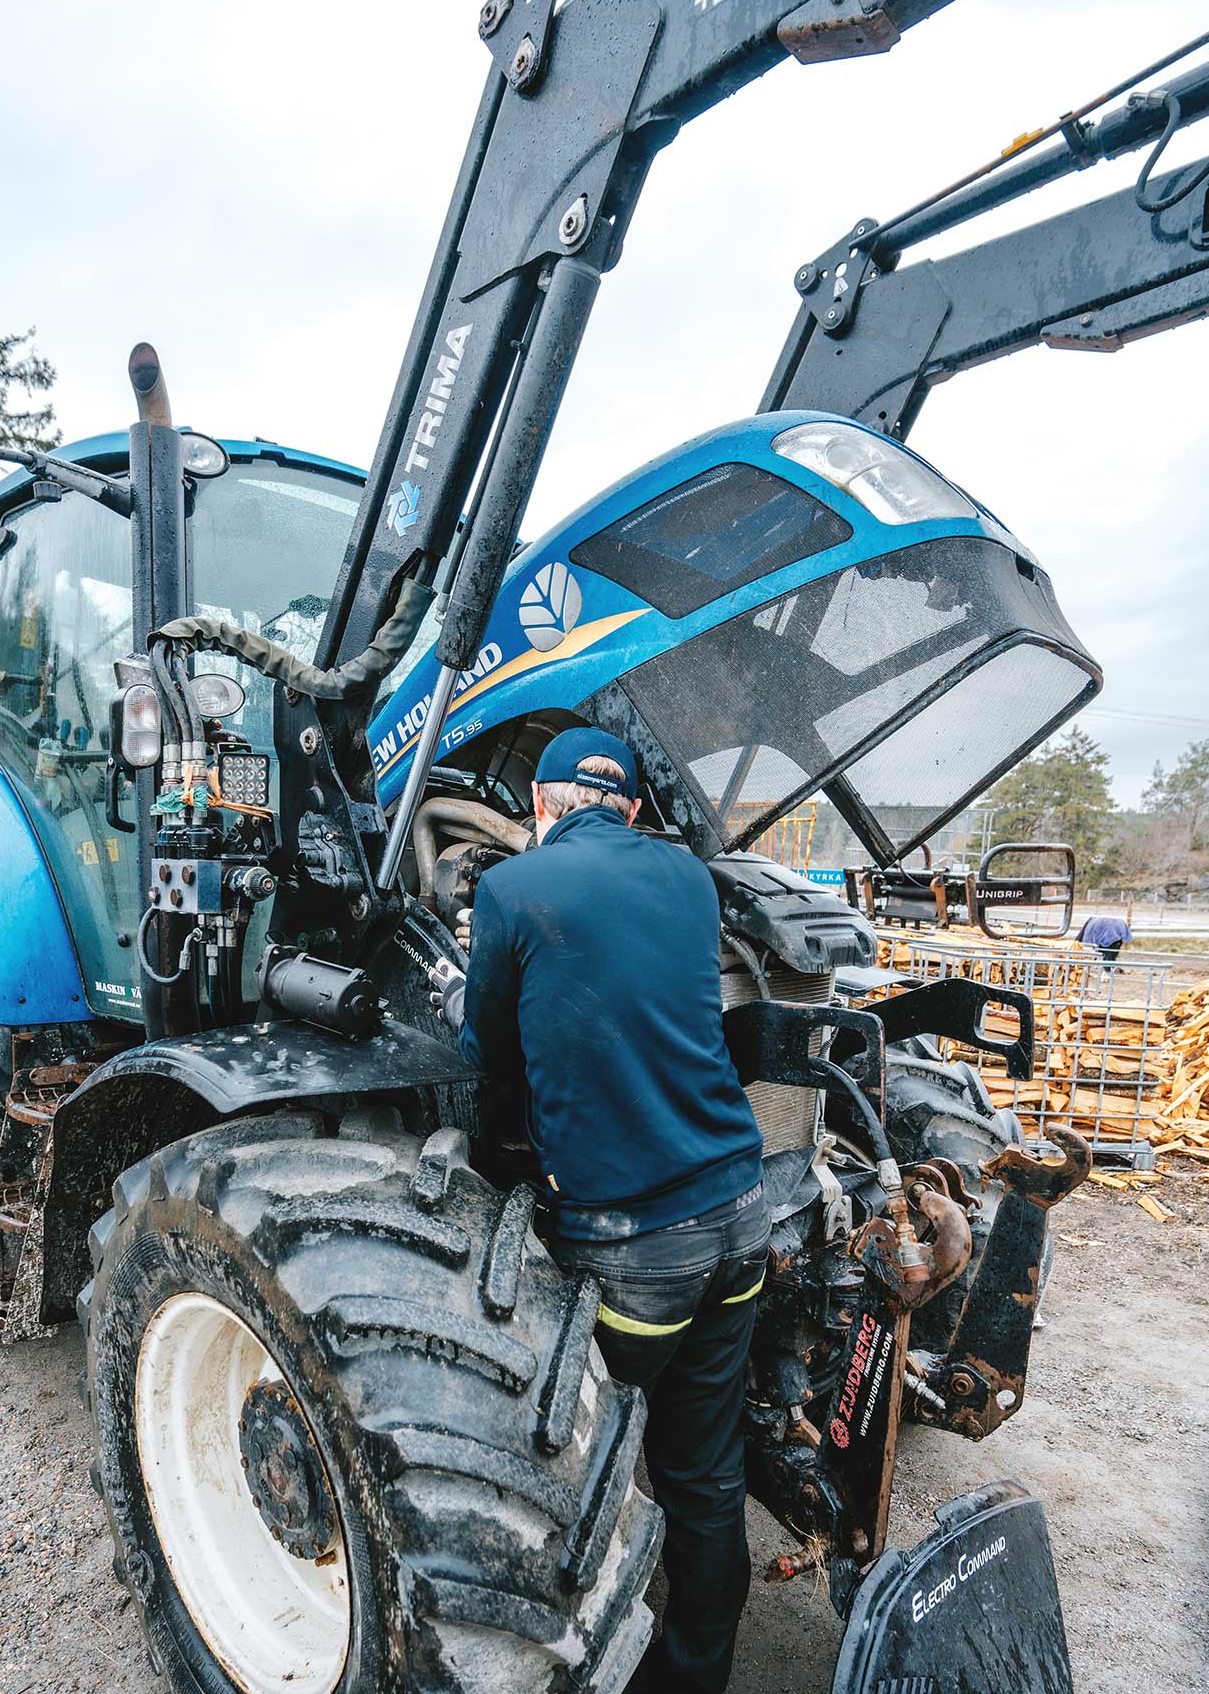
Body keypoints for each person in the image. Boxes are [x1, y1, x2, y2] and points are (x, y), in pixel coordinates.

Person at [433, 726, 770, 1694]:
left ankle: (573, 1659)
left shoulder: (510, 890)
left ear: (541, 806)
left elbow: (484, 1056)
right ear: (627, 808)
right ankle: (695, 1672)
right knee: (703, 1469)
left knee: (576, 1466)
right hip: (739, 1215)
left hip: (635, 1254)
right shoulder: (691, 880)